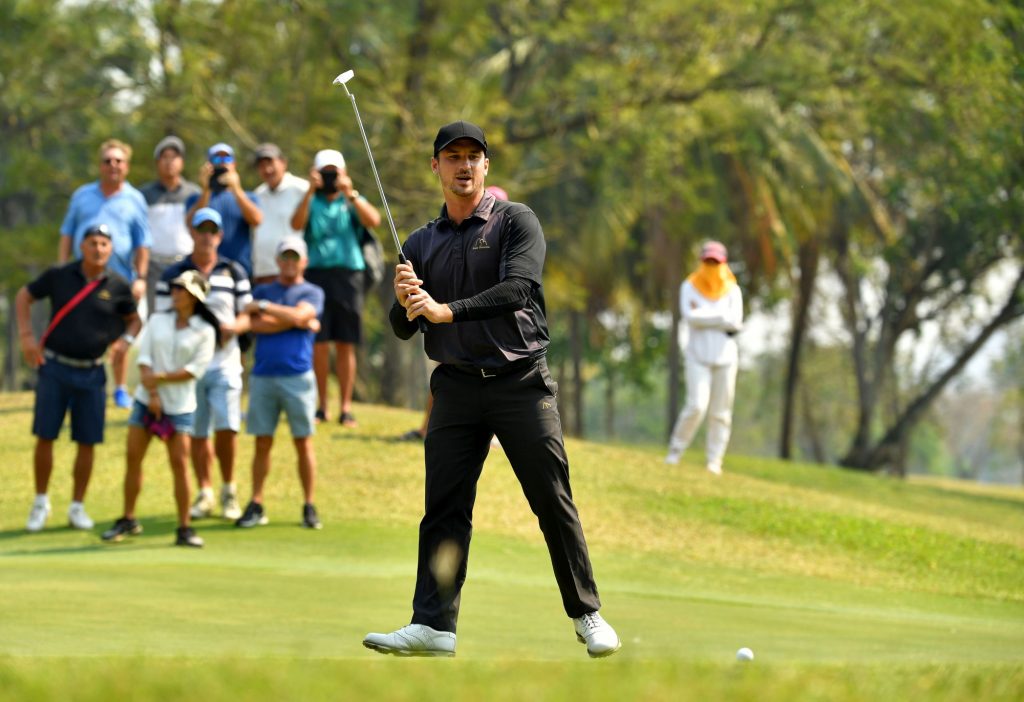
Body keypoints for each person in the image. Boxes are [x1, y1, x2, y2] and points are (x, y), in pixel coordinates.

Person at [363, 121, 620, 659]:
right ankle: (433, 625)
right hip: (456, 387)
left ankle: (586, 614)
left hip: (520, 382)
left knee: (550, 498)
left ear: (486, 166)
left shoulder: (515, 221)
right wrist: (404, 302)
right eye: (452, 156)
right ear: (436, 166)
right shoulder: (420, 243)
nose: (463, 166)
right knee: (444, 508)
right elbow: (404, 328)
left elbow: (518, 289)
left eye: (472, 157)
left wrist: (446, 310)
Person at [16, 225, 140, 532]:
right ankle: (40, 502)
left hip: (93, 372)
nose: (98, 249)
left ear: (111, 250)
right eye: (93, 243)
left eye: (104, 244)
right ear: (82, 247)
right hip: (55, 368)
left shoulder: (118, 285)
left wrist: (125, 342)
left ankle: (77, 506)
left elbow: (134, 319)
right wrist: (27, 336)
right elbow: (24, 296)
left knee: (87, 440)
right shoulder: (60, 275)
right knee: (46, 435)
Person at [101, 270, 218, 548]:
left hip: (180, 407)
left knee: (179, 465)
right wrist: (153, 392)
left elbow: (194, 371)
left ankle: (184, 527)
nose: (175, 292)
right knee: (133, 458)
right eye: (175, 287)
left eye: (181, 289)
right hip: (146, 401)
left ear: (194, 297)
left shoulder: (205, 330)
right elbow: (144, 358)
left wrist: (160, 379)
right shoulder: (158, 320)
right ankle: (128, 518)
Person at [155, 208, 252, 521]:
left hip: (225, 363)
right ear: (192, 233)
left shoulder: (233, 271)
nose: (206, 236)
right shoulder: (174, 273)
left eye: (212, 230)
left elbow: (247, 314)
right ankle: (205, 491)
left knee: (227, 428)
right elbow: (162, 316)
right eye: (201, 230)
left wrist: (233, 328)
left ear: (220, 236)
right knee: (197, 431)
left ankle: (229, 490)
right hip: (188, 366)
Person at [398, 185, 508, 443]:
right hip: (456, 340)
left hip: (498, 345)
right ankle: (427, 427)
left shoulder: (507, 236)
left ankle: (492, 432)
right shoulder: (439, 239)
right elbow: (401, 325)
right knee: (446, 373)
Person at [235, 236, 324, 530]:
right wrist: (296, 319)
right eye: (284, 257)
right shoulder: (263, 289)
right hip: (263, 375)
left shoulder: (312, 291)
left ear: (304, 262)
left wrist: (266, 308)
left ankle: (309, 505)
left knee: (303, 442)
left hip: (298, 376)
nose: (289, 262)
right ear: (277, 261)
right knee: (262, 442)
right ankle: (256, 503)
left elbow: (300, 315)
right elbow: (254, 324)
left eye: (294, 257)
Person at [291, 149, 382, 426]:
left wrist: (350, 193)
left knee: (345, 342)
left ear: (343, 173)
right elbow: (296, 224)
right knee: (319, 343)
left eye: (334, 172)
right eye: (326, 173)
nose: (330, 178)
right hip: (316, 275)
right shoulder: (311, 200)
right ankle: (321, 406)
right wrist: (309, 190)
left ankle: (345, 407)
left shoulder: (350, 199)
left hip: (348, 276)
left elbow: (373, 220)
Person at [58, 138, 151, 408]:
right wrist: (62, 269)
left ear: (127, 166)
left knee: (120, 333)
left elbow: (143, 243)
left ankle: (120, 389)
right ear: (99, 165)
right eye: (107, 161)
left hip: (119, 278)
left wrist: (141, 278)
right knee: (82, 330)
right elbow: (67, 233)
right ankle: (80, 385)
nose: (113, 165)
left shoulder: (135, 199)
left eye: (118, 161)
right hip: (84, 278)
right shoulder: (82, 196)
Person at [664, 240, 744, 474]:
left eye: (715, 262)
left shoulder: (733, 290)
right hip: (697, 356)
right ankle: (675, 452)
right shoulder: (689, 286)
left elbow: (735, 322)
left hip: (725, 358)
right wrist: (720, 317)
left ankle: (714, 460)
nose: (711, 266)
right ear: (701, 261)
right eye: (708, 261)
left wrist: (705, 316)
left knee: (721, 412)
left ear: (723, 263)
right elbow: (690, 317)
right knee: (696, 406)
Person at [139, 135, 201, 315]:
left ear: (182, 162)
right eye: (164, 157)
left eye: (174, 157)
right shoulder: (144, 194)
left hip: (185, 264)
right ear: (157, 162)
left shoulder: (194, 193)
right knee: (156, 315)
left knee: (187, 315)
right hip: (154, 267)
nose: (169, 162)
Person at [185, 143, 262, 277]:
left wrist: (236, 189)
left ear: (234, 164)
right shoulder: (196, 198)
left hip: (240, 271)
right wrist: (206, 189)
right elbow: (190, 224)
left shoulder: (248, 197)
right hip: (204, 270)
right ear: (208, 165)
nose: (222, 163)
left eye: (227, 159)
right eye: (216, 159)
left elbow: (257, 220)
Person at [251, 143, 309, 285]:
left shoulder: (302, 188)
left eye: (270, 163)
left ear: (283, 163)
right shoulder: (257, 194)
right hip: (263, 272)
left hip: (293, 273)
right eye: (261, 166)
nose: (267, 169)